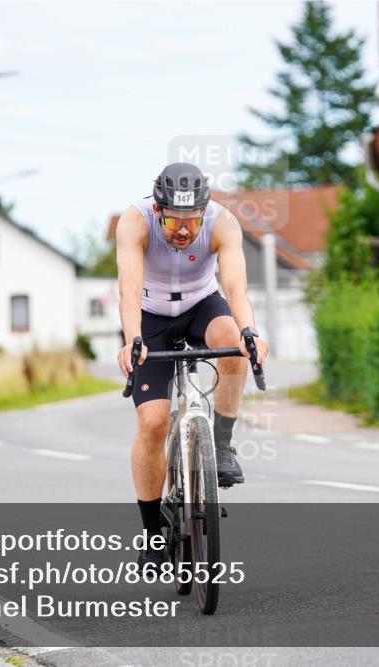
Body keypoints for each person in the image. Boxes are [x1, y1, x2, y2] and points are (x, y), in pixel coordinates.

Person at [116, 163, 269, 569]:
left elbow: (235, 287)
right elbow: (128, 291)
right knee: (152, 423)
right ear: (159, 209)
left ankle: (220, 443)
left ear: (204, 210)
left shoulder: (224, 223)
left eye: (192, 221)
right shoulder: (135, 221)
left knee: (233, 341)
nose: (184, 231)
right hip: (149, 316)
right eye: (175, 221)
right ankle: (152, 535)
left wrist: (251, 330)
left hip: (202, 305)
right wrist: (133, 339)